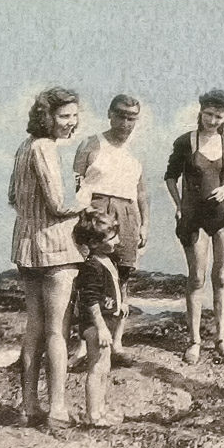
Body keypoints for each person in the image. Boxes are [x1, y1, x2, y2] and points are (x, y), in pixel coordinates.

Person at [8, 86, 87, 429]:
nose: (71, 122)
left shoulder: (23, 148)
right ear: (47, 117)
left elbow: (12, 195)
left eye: (74, 115)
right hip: (56, 247)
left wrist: (33, 213)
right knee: (58, 331)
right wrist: (85, 195)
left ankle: (29, 404)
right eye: (64, 116)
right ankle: (57, 408)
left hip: (26, 243)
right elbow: (58, 204)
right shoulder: (45, 148)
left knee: (34, 328)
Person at [164, 89, 224, 363]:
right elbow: (170, 177)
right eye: (208, 114)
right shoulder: (185, 142)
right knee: (197, 278)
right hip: (194, 217)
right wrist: (178, 205)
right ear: (200, 111)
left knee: (222, 278)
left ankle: (221, 339)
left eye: (219, 116)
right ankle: (194, 341)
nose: (212, 120)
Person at [73, 94, 149, 357]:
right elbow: (75, 182)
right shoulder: (91, 144)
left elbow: (141, 194)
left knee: (122, 276)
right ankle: (83, 342)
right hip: (96, 209)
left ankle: (117, 342)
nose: (126, 123)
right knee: (87, 274)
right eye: (121, 116)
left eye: (132, 118)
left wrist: (145, 225)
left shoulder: (133, 156)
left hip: (127, 214)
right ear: (110, 114)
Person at [72, 208, 127, 427]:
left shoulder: (107, 259)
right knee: (97, 367)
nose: (118, 240)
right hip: (97, 325)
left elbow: (109, 290)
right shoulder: (92, 265)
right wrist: (101, 327)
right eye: (112, 237)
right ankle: (93, 414)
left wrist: (119, 306)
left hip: (107, 321)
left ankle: (101, 409)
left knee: (104, 366)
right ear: (94, 243)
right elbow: (90, 298)